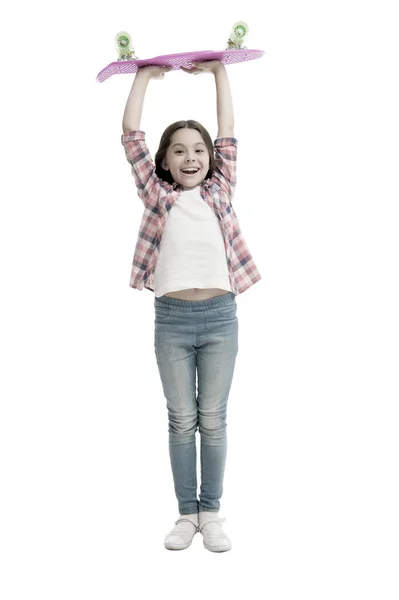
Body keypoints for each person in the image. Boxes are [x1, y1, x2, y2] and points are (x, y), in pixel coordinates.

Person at [121, 60, 261, 552]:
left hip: (221, 317)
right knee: (182, 419)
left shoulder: (220, 190)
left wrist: (219, 73)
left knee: (213, 418)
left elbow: (228, 131)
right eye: (178, 150)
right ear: (164, 162)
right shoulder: (156, 196)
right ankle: (187, 514)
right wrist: (143, 75)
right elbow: (130, 135)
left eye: (198, 150)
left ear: (210, 159)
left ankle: (213, 512)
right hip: (172, 321)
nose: (190, 157)